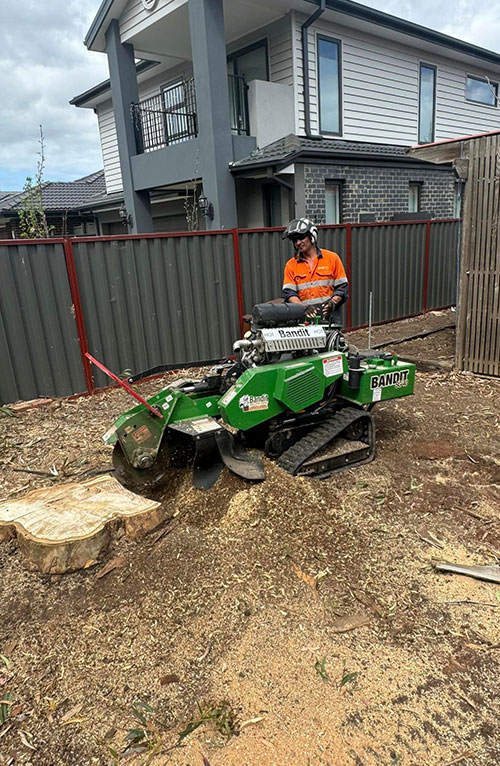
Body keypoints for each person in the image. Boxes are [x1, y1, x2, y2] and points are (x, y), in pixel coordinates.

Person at [281, 217, 348, 324]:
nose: (298, 242)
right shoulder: (291, 265)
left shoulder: (332, 258)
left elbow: (342, 287)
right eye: (294, 240)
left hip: (330, 319)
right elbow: (289, 293)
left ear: (312, 236)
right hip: (304, 321)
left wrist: (333, 302)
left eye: (301, 237)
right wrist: (303, 307)